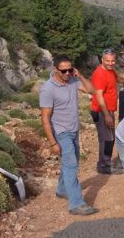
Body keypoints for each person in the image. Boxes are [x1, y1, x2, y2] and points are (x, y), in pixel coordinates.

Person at [40, 55, 99, 216]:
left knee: (72, 162)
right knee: (71, 164)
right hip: (61, 132)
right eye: (63, 70)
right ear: (55, 70)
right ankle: (77, 203)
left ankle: (62, 189)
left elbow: (92, 90)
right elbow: (45, 118)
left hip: (74, 130)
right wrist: (53, 143)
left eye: (69, 69)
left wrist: (79, 75)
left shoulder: (73, 81)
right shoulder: (48, 89)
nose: (67, 73)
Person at [90, 48, 124, 175]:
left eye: (112, 61)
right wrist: (106, 115)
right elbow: (99, 96)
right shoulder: (100, 74)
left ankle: (105, 163)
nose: (110, 63)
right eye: (108, 61)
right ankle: (104, 166)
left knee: (110, 138)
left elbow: (119, 79)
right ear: (102, 60)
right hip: (101, 111)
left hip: (108, 111)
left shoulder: (110, 71)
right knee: (107, 139)